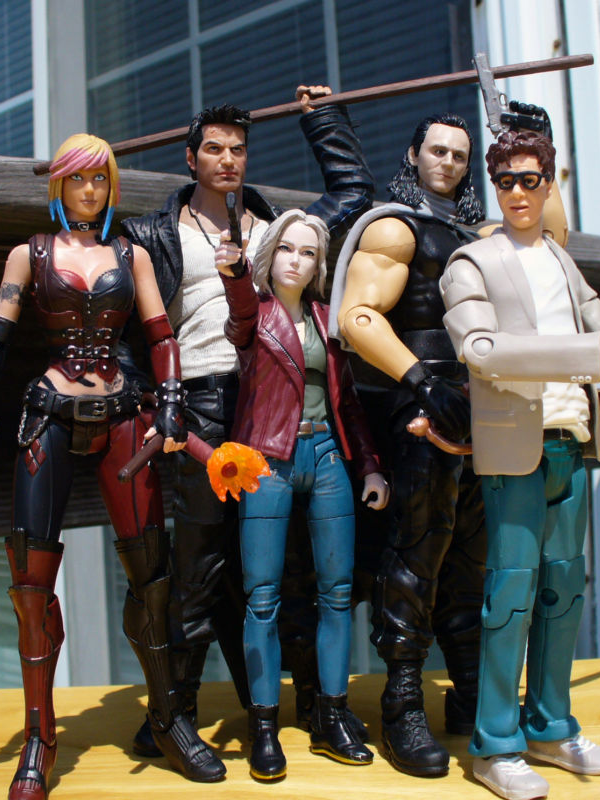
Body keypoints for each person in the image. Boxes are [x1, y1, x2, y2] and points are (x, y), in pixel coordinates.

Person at [0, 134, 226, 798]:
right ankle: (40, 738)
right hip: (49, 413)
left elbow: (160, 335)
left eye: (100, 179)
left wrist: (170, 407)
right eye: (78, 179)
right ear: (60, 185)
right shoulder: (29, 254)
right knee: (31, 586)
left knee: (152, 577)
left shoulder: (130, 255)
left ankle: (167, 718)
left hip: (124, 414)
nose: (89, 190)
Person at [120, 86, 374, 753]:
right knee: (199, 562)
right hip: (201, 400)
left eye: (238, 149)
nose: (227, 159)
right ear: (191, 157)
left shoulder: (274, 230)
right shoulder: (154, 233)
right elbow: (130, 331)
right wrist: (153, 404)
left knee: (293, 565)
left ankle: (314, 706)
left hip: (275, 401)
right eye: (214, 148)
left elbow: (353, 193)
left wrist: (321, 119)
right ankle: (171, 711)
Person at [439, 129, 600, 800]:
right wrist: (594, 357)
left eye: (530, 180)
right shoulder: (472, 262)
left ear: (548, 183)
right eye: (506, 181)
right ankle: (495, 743)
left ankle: (550, 725)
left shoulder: (562, 261)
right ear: (494, 184)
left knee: (563, 593)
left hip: (570, 442)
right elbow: (481, 349)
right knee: (510, 597)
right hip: (514, 449)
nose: (518, 193)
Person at [332, 112, 486, 777]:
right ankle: (401, 704)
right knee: (418, 546)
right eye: (438, 150)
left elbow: (552, 237)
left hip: (484, 404)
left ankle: (472, 692)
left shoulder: (481, 237)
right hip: (421, 401)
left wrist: (534, 145)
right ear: (414, 154)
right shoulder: (397, 228)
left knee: (473, 554)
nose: (448, 162)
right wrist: (422, 381)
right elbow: (357, 316)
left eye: (460, 154)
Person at [214, 209, 388, 780]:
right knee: (261, 596)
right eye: (286, 248)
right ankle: (264, 726)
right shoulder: (256, 314)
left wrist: (370, 468)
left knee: (336, 593)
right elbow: (239, 313)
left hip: (327, 455)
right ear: (270, 253)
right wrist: (235, 272)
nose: (296, 259)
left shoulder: (326, 319)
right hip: (267, 459)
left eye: (308, 252)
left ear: (319, 264)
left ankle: (331, 715)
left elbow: (349, 402)